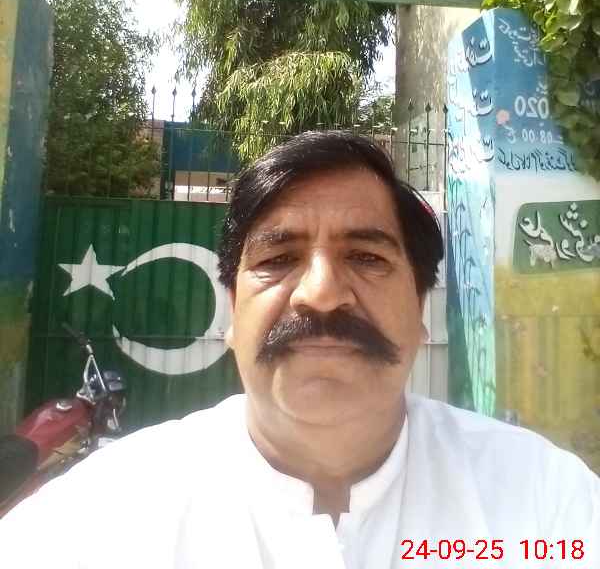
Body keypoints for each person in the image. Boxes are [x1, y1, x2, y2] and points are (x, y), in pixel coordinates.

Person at [1, 131, 598, 568]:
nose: (321, 293)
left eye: (366, 257)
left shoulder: (544, 504)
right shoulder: (97, 520)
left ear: (419, 311)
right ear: (231, 312)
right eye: (278, 259)